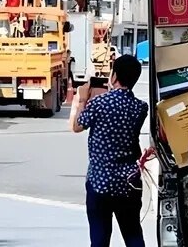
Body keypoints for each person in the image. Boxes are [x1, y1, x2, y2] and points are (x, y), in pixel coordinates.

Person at [71, 54, 149, 247]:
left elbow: (77, 126)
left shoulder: (99, 103)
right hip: (128, 181)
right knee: (132, 233)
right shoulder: (140, 107)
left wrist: (82, 99)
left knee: (99, 237)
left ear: (114, 77)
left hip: (100, 180)